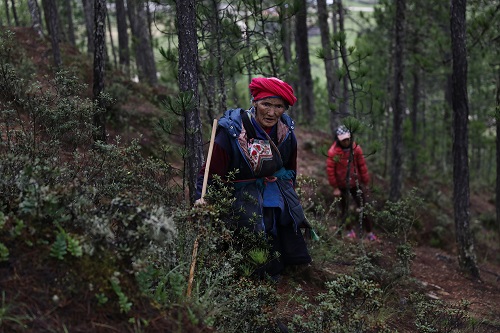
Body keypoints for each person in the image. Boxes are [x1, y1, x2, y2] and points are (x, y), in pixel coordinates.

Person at [195, 76, 312, 279]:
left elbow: (290, 168)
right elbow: (209, 174)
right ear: (255, 102)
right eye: (266, 104)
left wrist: (290, 195)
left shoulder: (286, 133)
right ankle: (257, 272)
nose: (272, 112)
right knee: (257, 218)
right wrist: (201, 199)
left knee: (280, 211)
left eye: (279, 106)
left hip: (273, 189)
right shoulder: (231, 134)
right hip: (239, 194)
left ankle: (286, 263)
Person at [326, 125, 377, 241]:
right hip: (341, 185)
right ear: (338, 139)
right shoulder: (333, 152)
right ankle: (349, 231)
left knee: (363, 207)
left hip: (355, 183)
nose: (346, 141)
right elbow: (330, 171)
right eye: (343, 139)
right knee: (344, 208)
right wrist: (335, 187)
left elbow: (362, 166)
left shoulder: (356, 149)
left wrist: (365, 182)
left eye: (347, 139)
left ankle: (369, 233)